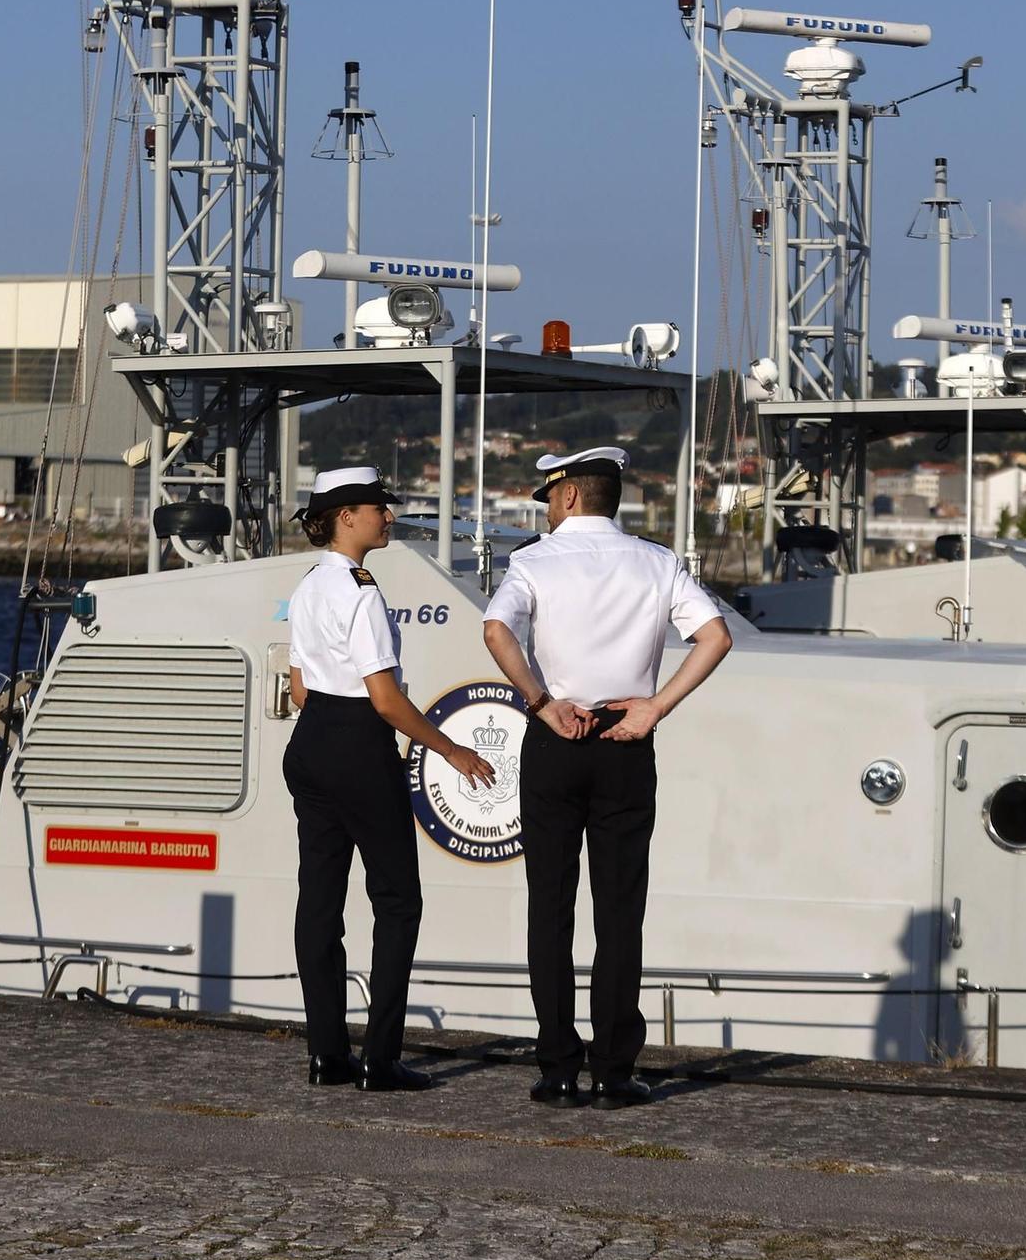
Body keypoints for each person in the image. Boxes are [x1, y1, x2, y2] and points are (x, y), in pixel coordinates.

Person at [481, 446, 733, 1110]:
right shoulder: (657, 562)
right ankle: (615, 1071)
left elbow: (496, 629)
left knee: (550, 907)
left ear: (565, 496)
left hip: (556, 737)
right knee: (619, 913)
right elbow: (715, 637)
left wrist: (539, 700)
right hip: (627, 740)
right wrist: (655, 705)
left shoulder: (533, 561)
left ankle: (558, 1067)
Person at [286, 466, 497, 1092]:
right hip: (358, 743)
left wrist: (332, 725)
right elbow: (385, 699)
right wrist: (453, 750)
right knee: (398, 902)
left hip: (312, 740)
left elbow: (299, 687)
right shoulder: (361, 591)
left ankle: (327, 1054)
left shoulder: (307, 586)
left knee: (319, 903)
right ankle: (380, 1060)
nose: (388, 515)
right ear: (346, 516)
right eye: (378, 506)